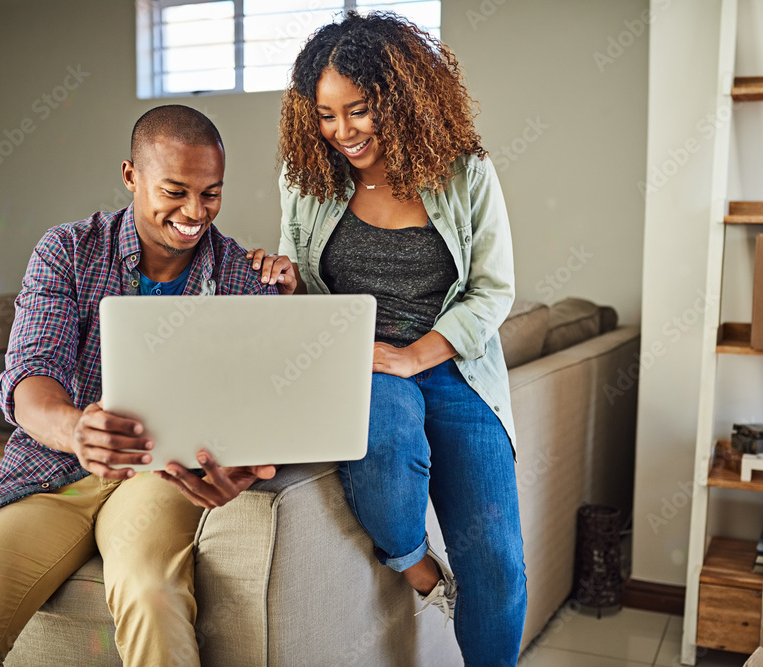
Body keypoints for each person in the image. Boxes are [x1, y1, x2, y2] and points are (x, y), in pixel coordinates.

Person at [0, 105, 277, 666]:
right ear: (131, 177)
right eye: (175, 190)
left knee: (152, 595)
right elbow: (30, 372)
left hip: (161, 476)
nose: (194, 212)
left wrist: (238, 462)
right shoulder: (67, 250)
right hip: (52, 472)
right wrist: (75, 429)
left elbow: (258, 403)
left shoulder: (240, 277)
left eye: (211, 193)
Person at [251, 12, 528, 665]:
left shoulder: (464, 173)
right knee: (386, 435)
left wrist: (414, 355)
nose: (342, 131)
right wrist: (286, 282)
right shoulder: (307, 180)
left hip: (452, 363)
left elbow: (493, 289)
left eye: (359, 109)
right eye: (325, 114)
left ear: (401, 98)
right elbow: (309, 292)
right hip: (357, 364)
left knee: (496, 558)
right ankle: (416, 567)